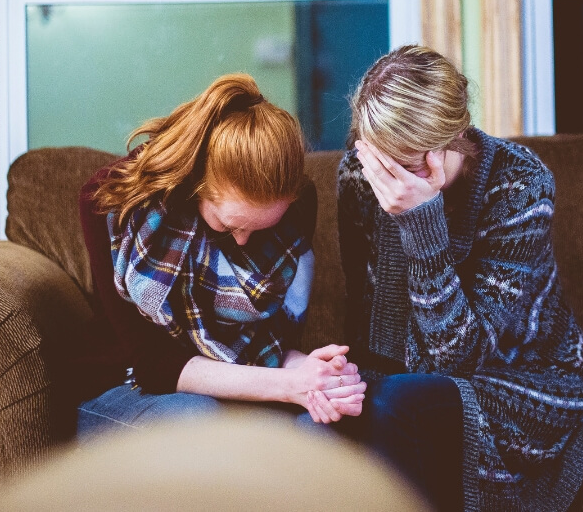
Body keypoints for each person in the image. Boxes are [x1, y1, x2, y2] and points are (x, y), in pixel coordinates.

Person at [335, 45, 583, 510]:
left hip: (522, 379)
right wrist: (344, 385)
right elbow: (370, 317)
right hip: (409, 380)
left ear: (449, 141)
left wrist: (423, 223)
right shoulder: (360, 175)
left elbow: (462, 360)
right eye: (378, 159)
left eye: (405, 164)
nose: (385, 179)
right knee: (327, 419)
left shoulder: (519, 185)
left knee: (399, 403)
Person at [76, 73, 366, 439]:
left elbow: (271, 345)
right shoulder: (111, 203)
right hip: (126, 385)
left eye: (259, 229)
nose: (244, 242)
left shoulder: (296, 207)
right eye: (229, 226)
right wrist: (288, 385)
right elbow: (153, 365)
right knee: (199, 420)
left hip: (238, 382)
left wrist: (315, 373)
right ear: (196, 185)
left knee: (323, 428)